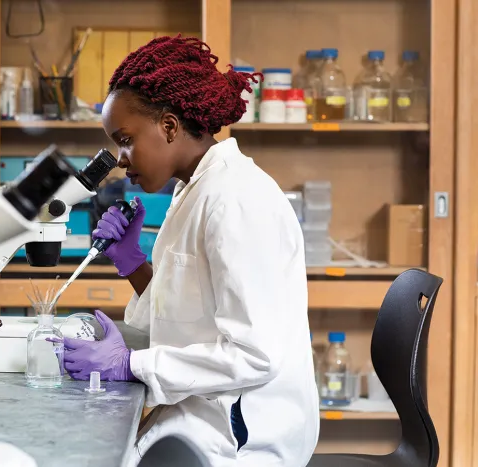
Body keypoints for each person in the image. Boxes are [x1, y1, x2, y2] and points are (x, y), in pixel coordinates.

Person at [61, 35, 319, 466]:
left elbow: (256, 355)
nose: (120, 159)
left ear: (168, 126)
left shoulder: (236, 199)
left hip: (243, 434)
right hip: (202, 405)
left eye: (124, 139)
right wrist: (132, 263)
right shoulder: (193, 190)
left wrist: (131, 365)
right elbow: (181, 316)